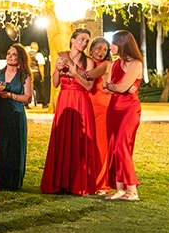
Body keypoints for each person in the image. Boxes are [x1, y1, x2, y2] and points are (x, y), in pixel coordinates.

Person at [40, 28, 97, 197]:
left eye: (86, 41)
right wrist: (57, 70)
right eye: (81, 39)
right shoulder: (61, 58)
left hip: (80, 101)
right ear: (72, 40)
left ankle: (77, 183)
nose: (84, 43)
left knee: (79, 141)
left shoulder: (89, 62)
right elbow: (56, 84)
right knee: (62, 138)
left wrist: (74, 73)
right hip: (64, 100)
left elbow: (89, 86)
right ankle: (59, 183)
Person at [104, 30, 144, 201]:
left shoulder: (136, 64)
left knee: (122, 145)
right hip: (113, 108)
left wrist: (115, 86)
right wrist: (116, 86)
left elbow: (118, 88)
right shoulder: (114, 64)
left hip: (129, 109)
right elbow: (106, 87)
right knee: (114, 147)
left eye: (113, 43)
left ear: (122, 44)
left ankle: (132, 190)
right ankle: (120, 188)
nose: (110, 47)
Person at [0, 44, 32, 191]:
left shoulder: (24, 76)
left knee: (14, 145)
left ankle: (12, 181)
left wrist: (10, 95)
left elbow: (28, 98)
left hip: (16, 113)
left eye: (14, 54)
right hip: (0, 112)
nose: (10, 57)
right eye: (8, 53)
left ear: (20, 58)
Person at [82, 37, 113, 195]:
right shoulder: (86, 62)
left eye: (105, 50)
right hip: (86, 105)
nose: (101, 52)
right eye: (98, 48)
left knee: (100, 145)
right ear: (92, 48)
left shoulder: (106, 65)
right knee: (87, 145)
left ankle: (101, 183)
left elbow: (87, 76)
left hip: (102, 106)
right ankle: (86, 179)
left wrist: (71, 64)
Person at [27, 41, 48, 106]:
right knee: (39, 88)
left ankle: (26, 103)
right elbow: (40, 65)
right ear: (37, 47)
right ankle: (44, 103)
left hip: (28, 73)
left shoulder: (26, 54)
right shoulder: (38, 54)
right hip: (35, 73)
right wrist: (42, 75)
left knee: (27, 88)